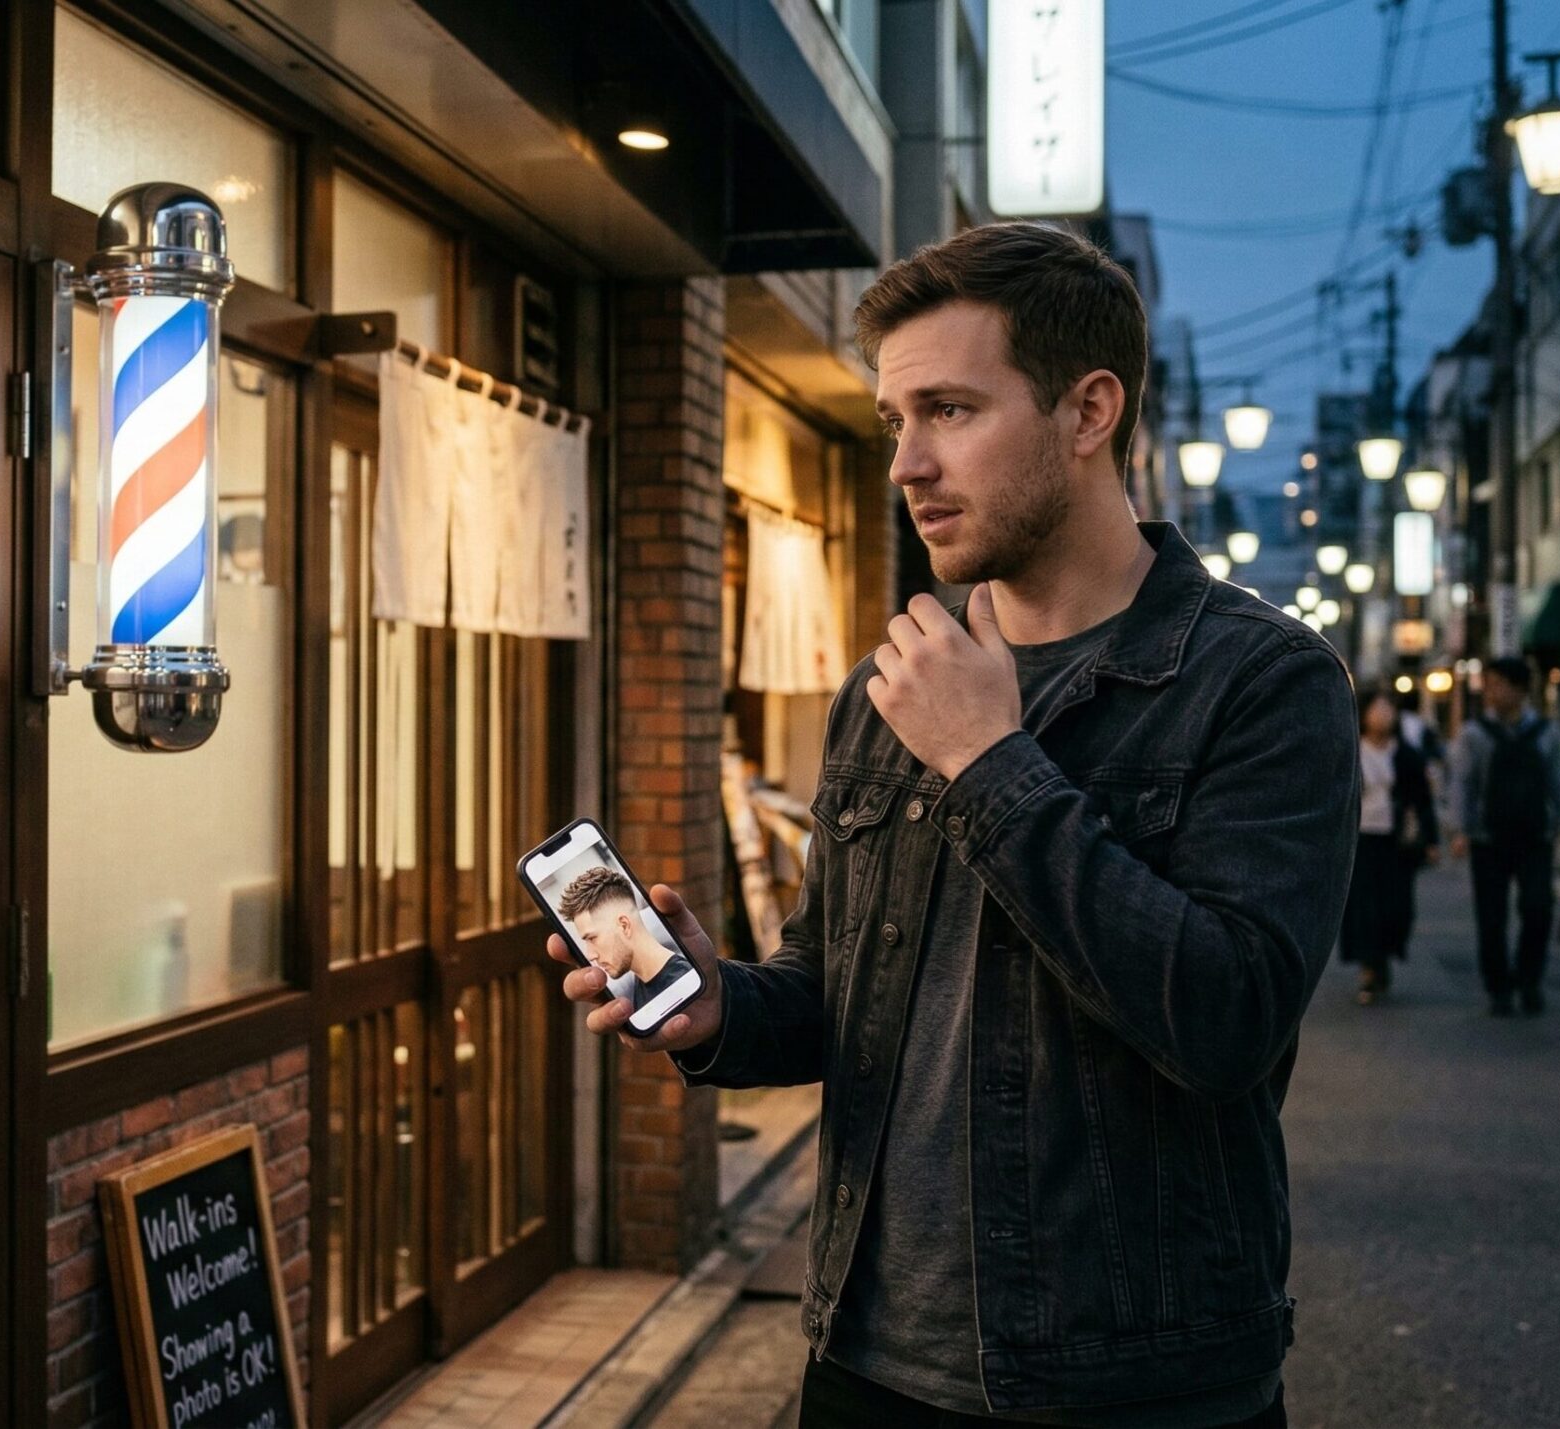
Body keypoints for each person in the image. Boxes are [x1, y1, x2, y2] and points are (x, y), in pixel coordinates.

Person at [550, 222, 1357, 1428]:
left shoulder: (1260, 681)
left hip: (1130, 1382)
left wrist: (991, 762)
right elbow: (838, 992)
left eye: (950, 411)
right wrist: (723, 1009)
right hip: (863, 1355)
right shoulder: (892, 686)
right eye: (894, 422)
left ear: (1088, 411)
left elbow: (1227, 1019)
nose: (905, 464)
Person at [1448, 657, 1560, 1016]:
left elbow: (1558, 783)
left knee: (1538, 910)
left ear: (1520, 690)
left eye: (1498, 684)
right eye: (1488, 684)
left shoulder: (1547, 733)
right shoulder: (1474, 734)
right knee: (1491, 918)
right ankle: (1499, 988)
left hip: (1536, 836)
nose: (1490, 692)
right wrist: (1460, 830)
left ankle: (1529, 979)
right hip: (1488, 838)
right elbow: (1463, 784)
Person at [1342, 689, 1440, 1004]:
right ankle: (1368, 970)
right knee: (1364, 907)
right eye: (1377, 708)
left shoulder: (1407, 755)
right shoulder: (1350, 751)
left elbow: (1423, 801)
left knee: (1395, 907)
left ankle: (1382, 959)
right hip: (1361, 839)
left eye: (1388, 709)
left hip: (1398, 842)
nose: (1384, 715)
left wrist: (1432, 839)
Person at [557, 864, 693, 988]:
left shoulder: (679, 981)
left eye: (592, 938)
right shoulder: (639, 984)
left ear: (624, 926)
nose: (590, 955)